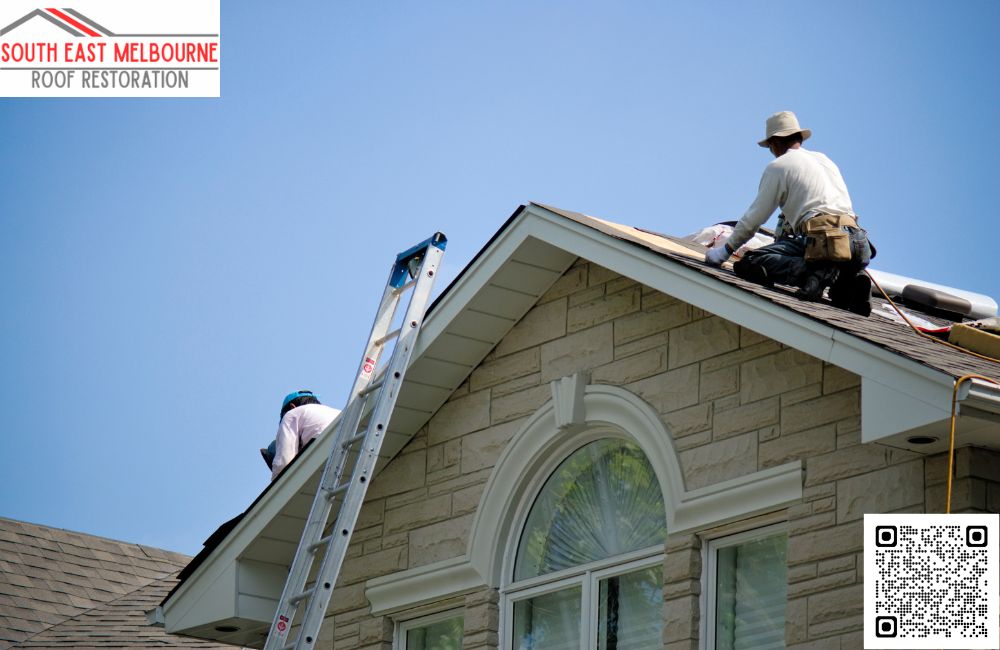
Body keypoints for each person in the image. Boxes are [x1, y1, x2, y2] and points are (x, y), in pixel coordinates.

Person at [704, 111, 874, 316]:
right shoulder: (824, 160)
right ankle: (849, 280)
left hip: (823, 241)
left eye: (770, 147)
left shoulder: (780, 166)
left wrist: (724, 252)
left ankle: (812, 274)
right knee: (839, 296)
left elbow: (754, 218)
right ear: (798, 137)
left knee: (752, 262)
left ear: (775, 142)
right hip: (857, 243)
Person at [266, 390, 340, 481]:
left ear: (292, 407)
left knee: (276, 449)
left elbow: (284, 460)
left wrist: (275, 485)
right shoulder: (333, 411)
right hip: (346, 446)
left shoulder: (291, 414)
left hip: (325, 452)